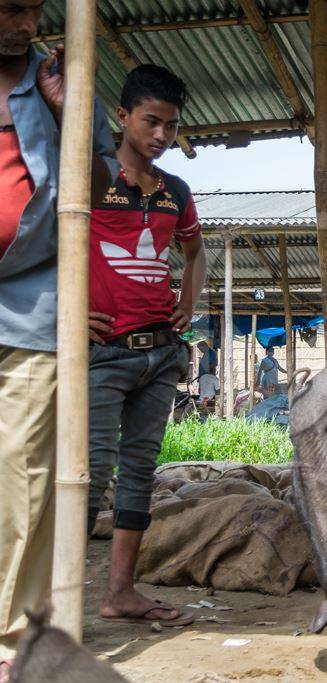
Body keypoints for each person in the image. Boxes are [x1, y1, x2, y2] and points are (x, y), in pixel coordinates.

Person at [0, 2, 117, 676]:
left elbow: (99, 192)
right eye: (13, 5)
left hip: (29, 302)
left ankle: (15, 635)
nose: (29, 18)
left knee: (23, 474)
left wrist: (69, 112)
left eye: (35, 6)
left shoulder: (56, 81)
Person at [85, 64, 206, 629]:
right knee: (85, 471)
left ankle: (119, 593)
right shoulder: (90, 177)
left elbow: (195, 253)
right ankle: (48, 598)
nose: (161, 135)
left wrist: (189, 299)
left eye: (171, 126)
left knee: (139, 472)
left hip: (161, 352)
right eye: (151, 122)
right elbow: (44, 242)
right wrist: (66, 313)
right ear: (122, 117)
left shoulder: (175, 192)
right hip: (101, 351)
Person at [197, 340, 219, 405]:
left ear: (204, 346)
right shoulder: (206, 353)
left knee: (207, 395)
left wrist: (209, 377)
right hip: (204, 377)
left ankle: (207, 406)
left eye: (200, 349)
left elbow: (212, 365)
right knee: (203, 394)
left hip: (207, 377)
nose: (200, 350)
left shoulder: (211, 353)